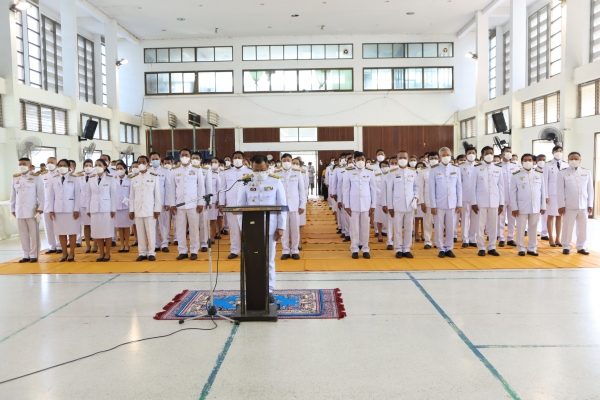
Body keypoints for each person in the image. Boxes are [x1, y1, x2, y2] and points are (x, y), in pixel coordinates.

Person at [237, 155, 287, 303]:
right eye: (256, 170)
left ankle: (269, 289)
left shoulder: (275, 181)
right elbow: (240, 207)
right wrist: (242, 227)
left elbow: (282, 205)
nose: (259, 173)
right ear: (251, 168)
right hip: (252, 228)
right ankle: (253, 288)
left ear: (267, 167)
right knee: (252, 260)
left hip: (270, 227)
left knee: (269, 259)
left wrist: (281, 226)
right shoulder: (246, 182)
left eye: (262, 170)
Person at [167, 148, 205, 260]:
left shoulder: (197, 169)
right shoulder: (174, 170)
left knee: (194, 228)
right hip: (179, 204)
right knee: (180, 229)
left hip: (193, 204)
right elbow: (172, 189)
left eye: (187, 155)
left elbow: (201, 187)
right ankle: (182, 250)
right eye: (182, 155)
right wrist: (172, 204)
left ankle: (194, 250)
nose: (184, 157)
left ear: (190, 157)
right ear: (179, 157)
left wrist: (201, 203)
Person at [428, 147, 462, 258]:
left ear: (451, 156)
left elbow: (459, 188)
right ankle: (441, 248)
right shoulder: (434, 169)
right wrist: (433, 205)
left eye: (448, 155)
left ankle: (449, 248)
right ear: (439, 157)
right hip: (439, 204)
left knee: (451, 227)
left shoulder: (456, 169)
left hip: (452, 203)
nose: (446, 157)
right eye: (443, 155)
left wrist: (459, 204)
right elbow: (431, 189)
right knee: (438, 227)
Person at [557, 152, 594, 255]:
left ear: (580, 160)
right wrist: (561, 205)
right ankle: (566, 246)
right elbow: (559, 190)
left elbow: (590, 190)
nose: (574, 161)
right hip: (569, 205)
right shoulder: (562, 172)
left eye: (576, 159)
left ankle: (581, 246)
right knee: (567, 227)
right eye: (571, 159)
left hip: (583, 205)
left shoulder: (586, 172)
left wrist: (590, 204)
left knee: (582, 227)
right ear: (568, 160)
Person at [471, 146, 504, 257]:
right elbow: (472, 187)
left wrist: (501, 203)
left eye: (491, 153)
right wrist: (473, 202)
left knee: (493, 225)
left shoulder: (498, 168)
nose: (489, 155)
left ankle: (492, 247)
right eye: (487, 153)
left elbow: (501, 187)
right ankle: (481, 247)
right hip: (480, 201)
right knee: (480, 225)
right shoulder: (476, 168)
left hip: (494, 201)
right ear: (482, 156)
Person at [510, 154, 545, 256]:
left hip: (535, 205)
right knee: (521, 228)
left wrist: (543, 206)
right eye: (525, 160)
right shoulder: (516, 175)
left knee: (533, 227)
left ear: (534, 162)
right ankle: (521, 248)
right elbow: (513, 193)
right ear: (521, 162)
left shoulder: (539, 174)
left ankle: (532, 248)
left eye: (530, 160)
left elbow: (543, 191)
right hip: (521, 206)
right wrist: (514, 207)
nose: (527, 162)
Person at [342, 151, 376, 259]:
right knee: (354, 228)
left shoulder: (370, 171)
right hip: (353, 204)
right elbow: (345, 189)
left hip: (366, 204)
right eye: (358, 159)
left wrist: (373, 205)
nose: (360, 161)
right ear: (354, 161)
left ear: (365, 160)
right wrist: (346, 205)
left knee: (365, 228)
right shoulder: (348, 172)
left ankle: (365, 248)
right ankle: (354, 249)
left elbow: (373, 189)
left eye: (362, 159)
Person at [385, 150, 418, 259]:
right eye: (400, 158)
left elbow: (416, 187)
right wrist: (390, 206)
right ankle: (398, 249)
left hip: (409, 205)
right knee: (398, 228)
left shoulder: (413, 172)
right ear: (397, 159)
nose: (402, 160)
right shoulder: (392, 172)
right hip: (397, 205)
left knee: (409, 228)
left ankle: (407, 248)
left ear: (408, 159)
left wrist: (416, 197)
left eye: (404, 158)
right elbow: (389, 191)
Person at [219, 151, 253, 259]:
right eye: (235, 158)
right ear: (232, 160)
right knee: (234, 229)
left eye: (239, 157)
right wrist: (221, 203)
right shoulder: (226, 172)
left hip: (246, 204)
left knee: (246, 229)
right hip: (231, 204)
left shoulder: (250, 171)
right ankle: (234, 250)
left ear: (243, 159)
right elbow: (222, 188)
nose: (237, 159)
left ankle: (247, 249)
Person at [11, 157, 44, 263]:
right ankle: (26, 254)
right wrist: (12, 208)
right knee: (23, 234)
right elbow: (13, 194)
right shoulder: (15, 178)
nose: (22, 166)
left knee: (34, 234)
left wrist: (40, 209)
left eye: (24, 164)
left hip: (32, 210)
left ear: (30, 166)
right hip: (19, 210)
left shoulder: (36, 177)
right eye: (20, 164)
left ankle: (34, 254)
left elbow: (41, 194)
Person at [129, 157, 162, 261]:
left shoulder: (154, 177)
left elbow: (157, 195)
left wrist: (157, 209)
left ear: (148, 163)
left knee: (151, 232)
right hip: (138, 209)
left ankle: (151, 252)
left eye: (143, 162)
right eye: (139, 162)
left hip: (149, 209)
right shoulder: (134, 178)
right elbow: (131, 196)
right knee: (140, 232)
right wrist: (131, 210)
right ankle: (142, 252)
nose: (141, 164)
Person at [47, 159, 80, 262]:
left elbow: (77, 195)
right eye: (60, 165)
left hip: (71, 209)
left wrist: (76, 209)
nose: (62, 167)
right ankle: (64, 253)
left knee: (72, 231)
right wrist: (51, 210)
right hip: (58, 209)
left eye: (64, 165)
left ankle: (72, 253)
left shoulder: (74, 178)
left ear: (69, 167)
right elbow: (50, 195)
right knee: (61, 232)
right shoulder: (54, 178)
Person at [87, 159, 116, 262]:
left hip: (106, 209)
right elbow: (88, 195)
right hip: (94, 208)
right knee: (97, 232)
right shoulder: (91, 178)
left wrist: (113, 209)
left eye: (100, 165)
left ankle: (107, 253)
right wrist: (88, 209)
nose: (97, 167)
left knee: (107, 232)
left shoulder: (110, 178)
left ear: (105, 166)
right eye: (96, 165)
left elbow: (113, 194)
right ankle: (101, 253)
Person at [278, 154, 306, 260]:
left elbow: (302, 190)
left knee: (295, 229)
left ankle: (295, 250)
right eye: (284, 160)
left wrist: (302, 204)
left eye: (288, 160)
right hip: (282, 205)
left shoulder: (297, 173)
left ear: (291, 161)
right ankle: (285, 250)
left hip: (295, 205)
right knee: (284, 228)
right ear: (281, 162)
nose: (286, 162)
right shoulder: (276, 174)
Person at [544, 146, 568, 248]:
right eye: (557, 151)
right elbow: (545, 181)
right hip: (551, 194)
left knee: (560, 216)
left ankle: (558, 238)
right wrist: (545, 195)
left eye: (560, 151)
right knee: (550, 216)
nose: (558, 153)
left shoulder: (566, 165)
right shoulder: (547, 165)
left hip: (562, 194)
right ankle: (551, 238)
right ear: (552, 152)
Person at [496, 147, 520, 247]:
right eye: (507, 152)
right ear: (502, 154)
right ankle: (501, 238)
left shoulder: (515, 166)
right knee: (500, 218)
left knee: (512, 218)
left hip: (513, 196)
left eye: (510, 152)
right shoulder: (497, 166)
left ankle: (510, 238)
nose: (509, 153)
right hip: (501, 196)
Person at [148, 152, 171, 253]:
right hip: (150, 202)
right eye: (153, 159)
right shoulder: (147, 171)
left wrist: (167, 202)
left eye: (156, 159)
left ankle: (164, 243)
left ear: (160, 159)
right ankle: (156, 243)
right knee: (153, 224)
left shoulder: (165, 171)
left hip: (162, 202)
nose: (155, 161)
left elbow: (168, 187)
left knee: (164, 224)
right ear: (150, 160)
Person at [459, 146, 479, 248]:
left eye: (473, 153)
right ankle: (465, 239)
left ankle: (472, 238)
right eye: (469, 153)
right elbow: (459, 183)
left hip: (477, 197)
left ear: (476, 154)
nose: (471, 155)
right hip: (465, 196)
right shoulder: (461, 166)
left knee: (475, 219)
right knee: (465, 219)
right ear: (466, 155)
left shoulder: (479, 166)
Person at [418, 151, 438, 250]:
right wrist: (422, 202)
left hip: (439, 201)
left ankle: (437, 241)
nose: (433, 160)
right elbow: (420, 187)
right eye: (431, 158)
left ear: (439, 159)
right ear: (428, 160)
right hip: (427, 201)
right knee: (427, 222)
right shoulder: (423, 171)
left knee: (439, 223)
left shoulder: (442, 170)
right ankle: (427, 241)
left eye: (435, 158)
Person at [191, 152, 210, 252]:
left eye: (197, 158)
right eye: (193, 158)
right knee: (193, 225)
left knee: (203, 223)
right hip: (191, 201)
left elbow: (208, 186)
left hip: (202, 200)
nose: (194, 159)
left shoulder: (205, 170)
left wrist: (208, 201)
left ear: (200, 160)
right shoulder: (187, 170)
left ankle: (204, 243)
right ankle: (194, 245)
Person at [40, 157, 60, 254]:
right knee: (48, 227)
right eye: (48, 162)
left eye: (52, 162)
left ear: (56, 164)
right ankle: (52, 246)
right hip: (46, 204)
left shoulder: (59, 174)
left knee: (58, 226)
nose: (50, 164)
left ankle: (60, 245)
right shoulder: (43, 175)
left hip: (57, 204)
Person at [114, 161, 133, 253]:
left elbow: (132, 193)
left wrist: (129, 201)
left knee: (126, 226)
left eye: (121, 168)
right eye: (117, 169)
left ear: (125, 169)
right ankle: (121, 244)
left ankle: (127, 244)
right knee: (119, 227)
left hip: (126, 206)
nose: (119, 170)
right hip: (117, 206)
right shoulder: (113, 179)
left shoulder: (130, 179)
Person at [79, 159, 95, 253]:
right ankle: (88, 245)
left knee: (95, 225)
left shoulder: (95, 176)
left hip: (93, 203)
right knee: (86, 225)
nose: (88, 167)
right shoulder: (79, 177)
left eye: (90, 165)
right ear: (83, 167)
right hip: (83, 204)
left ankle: (95, 245)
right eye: (86, 165)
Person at [374, 160, 390, 243]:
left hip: (389, 201)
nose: (384, 167)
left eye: (386, 166)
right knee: (379, 219)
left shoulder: (391, 176)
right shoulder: (377, 176)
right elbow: (375, 187)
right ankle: (379, 234)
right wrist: (383, 193)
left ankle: (388, 234)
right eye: (383, 166)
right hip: (379, 200)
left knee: (389, 220)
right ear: (380, 167)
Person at [208, 157, 223, 243]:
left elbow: (219, 189)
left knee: (213, 219)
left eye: (215, 162)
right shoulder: (204, 173)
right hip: (204, 200)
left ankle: (213, 236)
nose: (213, 163)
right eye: (212, 162)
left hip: (214, 200)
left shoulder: (216, 174)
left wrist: (219, 200)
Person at [535, 154, 549, 241]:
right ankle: (533, 232)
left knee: (545, 216)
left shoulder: (548, 169)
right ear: (536, 161)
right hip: (536, 196)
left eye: (544, 159)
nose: (542, 161)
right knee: (535, 216)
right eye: (540, 160)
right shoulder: (533, 170)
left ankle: (544, 233)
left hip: (545, 195)